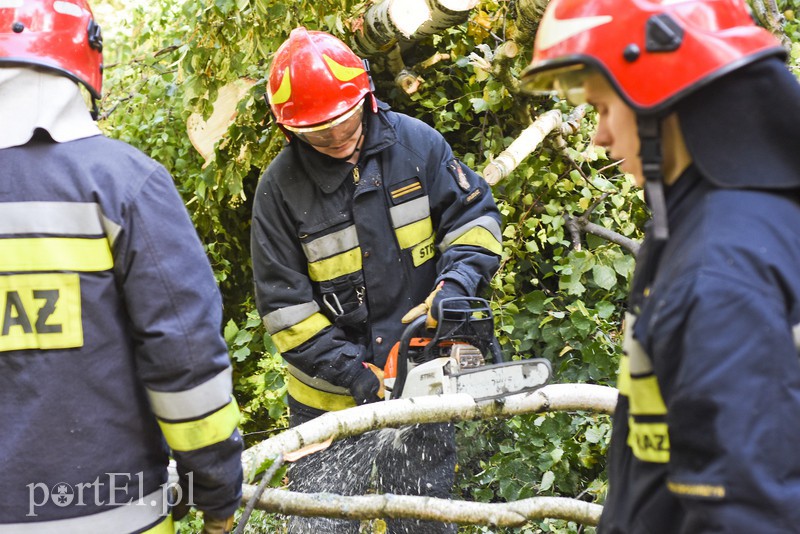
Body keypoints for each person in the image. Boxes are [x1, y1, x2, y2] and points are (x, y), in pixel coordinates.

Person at [520, 0, 800, 532]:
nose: (598, 136)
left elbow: (741, 515)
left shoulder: (720, 273)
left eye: (603, 109)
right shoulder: (718, 217)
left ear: (661, 101)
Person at [0, 1, 243, 532]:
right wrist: (216, 495)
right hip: (110, 512)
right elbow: (185, 356)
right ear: (85, 57)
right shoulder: (124, 185)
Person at [251, 27, 503, 533]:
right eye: (321, 131)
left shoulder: (417, 145)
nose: (339, 136)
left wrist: (454, 287)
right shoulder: (279, 193)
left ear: (366, 98)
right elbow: (286, 312)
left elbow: (474, 220)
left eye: (346, 121)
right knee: (320, 522)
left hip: (420, 374)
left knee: (422, 515)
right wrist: (358, 375)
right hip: (328, 396)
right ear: (291, 130)